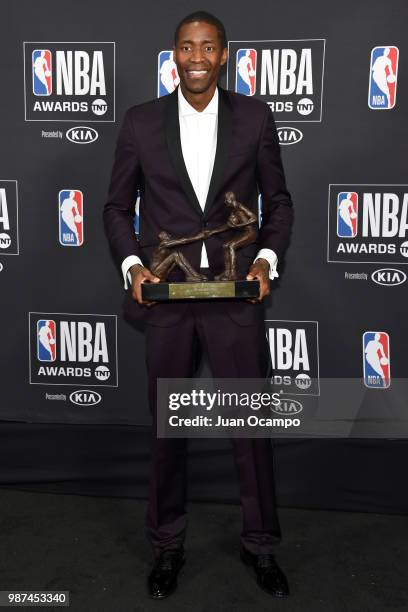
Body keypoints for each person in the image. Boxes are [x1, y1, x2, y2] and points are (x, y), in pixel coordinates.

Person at [104, 11, 294, 600]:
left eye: (208, 47)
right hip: (167, 302)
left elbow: (278, 203)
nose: (197, 57)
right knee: (167, 431)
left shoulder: (255, 119)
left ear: (225, 55)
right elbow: (116, 208)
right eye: (187, 46)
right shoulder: (139, 123)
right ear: (173, 55)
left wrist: (265, 261)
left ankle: (259, 544)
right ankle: (167, 546)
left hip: (234, 301)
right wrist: (134, 266)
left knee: (248, 429)